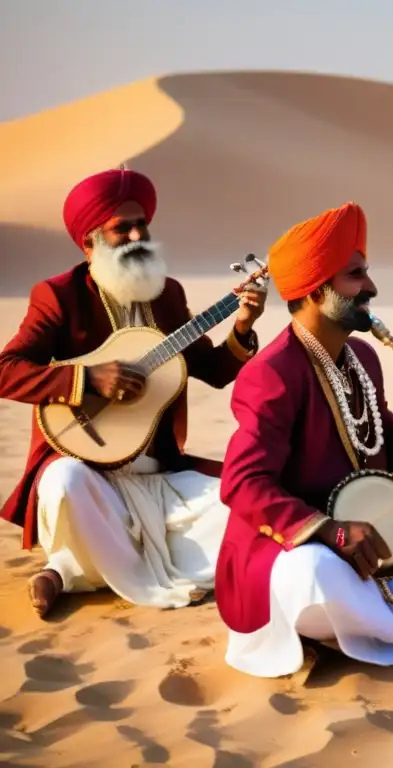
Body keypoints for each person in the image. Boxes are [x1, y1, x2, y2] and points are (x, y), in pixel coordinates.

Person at [214, 203, 393, 679]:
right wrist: (331, 532)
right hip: (295, 549)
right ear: (315, 289)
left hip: (366, 536)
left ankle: (360, 628)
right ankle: (358, 624)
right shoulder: (270, 374)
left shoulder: (363, 359)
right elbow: (242, 484)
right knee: (318, 576)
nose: (371, 288)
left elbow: (382, 454)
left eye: (365, 273)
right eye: (355, 276)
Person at [0, 167, 266, 618]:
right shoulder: (59, 296)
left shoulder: (166, 295)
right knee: (64, 483)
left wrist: (242, 325)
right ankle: (67, 569)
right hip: (88, 473)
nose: (138, 233)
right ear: (90, 243)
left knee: (247, 509)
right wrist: (86, 382)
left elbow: (215, 371)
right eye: (121, 227)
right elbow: (7, 370)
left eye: (142, 223)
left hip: (157, 477)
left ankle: (70, 571)